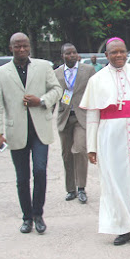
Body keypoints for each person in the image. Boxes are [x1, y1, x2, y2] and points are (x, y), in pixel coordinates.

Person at [80, 37, 130, 246]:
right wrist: (91, 146)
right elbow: (92, 116)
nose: (118, 55)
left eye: (122, 51)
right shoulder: (97, 80)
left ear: (126, 52)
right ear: (106, 56)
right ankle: (122, 226)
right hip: (109, 136)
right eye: (114, 52)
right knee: (113, 180)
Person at [0, 32, 62, 234]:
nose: (21, 49)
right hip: (16, 132)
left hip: (40, 130)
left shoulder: (43, 67)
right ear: (11, 48)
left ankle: (38, 214)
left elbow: (57, 90)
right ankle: (27, 217)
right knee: (22, 178)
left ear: (30, 47)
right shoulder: (1, 73)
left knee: (40, 171)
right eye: (17, 46)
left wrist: (42, 101)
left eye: (25, 46)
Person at [55, 43, 96, 203]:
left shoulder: (88, 70)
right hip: (64, 116)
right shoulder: (56, 73)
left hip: (81, 116)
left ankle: (81, 188)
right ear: (63, 56)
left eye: (74, 53)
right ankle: (70, 189)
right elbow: (53, 94)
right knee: (66, 154)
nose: (71, 55)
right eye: (68, 53)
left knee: (79, 149)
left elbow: (95, 91)